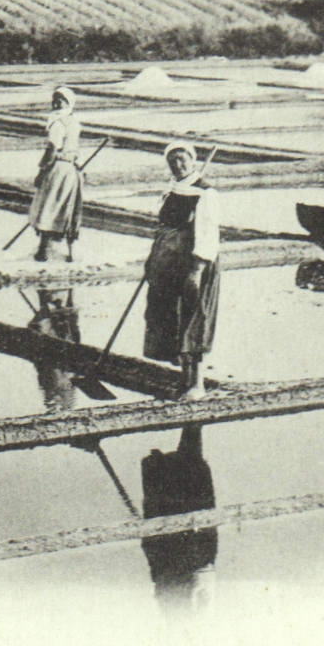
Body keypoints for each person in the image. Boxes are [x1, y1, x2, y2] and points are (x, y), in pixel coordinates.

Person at [143, 142, 221, 399]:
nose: (178, 164)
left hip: (192, 265)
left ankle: (196, 384)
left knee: (194, 319)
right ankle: (183, 381)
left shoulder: (205, 193)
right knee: (172, 318)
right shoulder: (174, 190)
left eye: (183, 159)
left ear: (193, 160)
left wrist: (196, 270)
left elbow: (208, 235)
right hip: (168, 264)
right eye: (173, 160)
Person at [140, 425, 217, 615]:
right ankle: (192, 421)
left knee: (187, 477)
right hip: (187, 561)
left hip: (177, 562)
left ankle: (192, 422)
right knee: (192, 474)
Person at [26, 87, 83, 262]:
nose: (56, 103)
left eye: (61, 100)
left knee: (48, 207)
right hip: (71, 170)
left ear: (69, 102)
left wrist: (42, 170)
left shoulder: (58, 123)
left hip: (58, 168)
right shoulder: (74, 121)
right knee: (67, 209)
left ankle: (42, 251)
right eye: (55, 99)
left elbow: (52, 149)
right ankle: (69, 253)